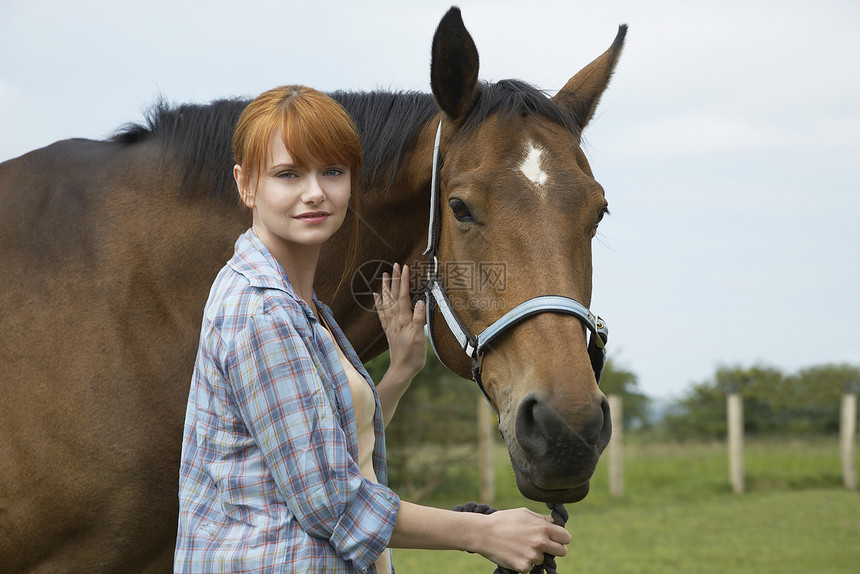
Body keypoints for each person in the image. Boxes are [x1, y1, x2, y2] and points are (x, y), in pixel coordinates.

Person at [174, 85, 570, 574]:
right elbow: (334, 503)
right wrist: (484, 533)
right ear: (247, 185)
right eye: (288, 174)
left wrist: (400, 371)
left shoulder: (300, 305)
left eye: (332, 172)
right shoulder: (262, 313)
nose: (314, 191)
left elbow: (322, 452)